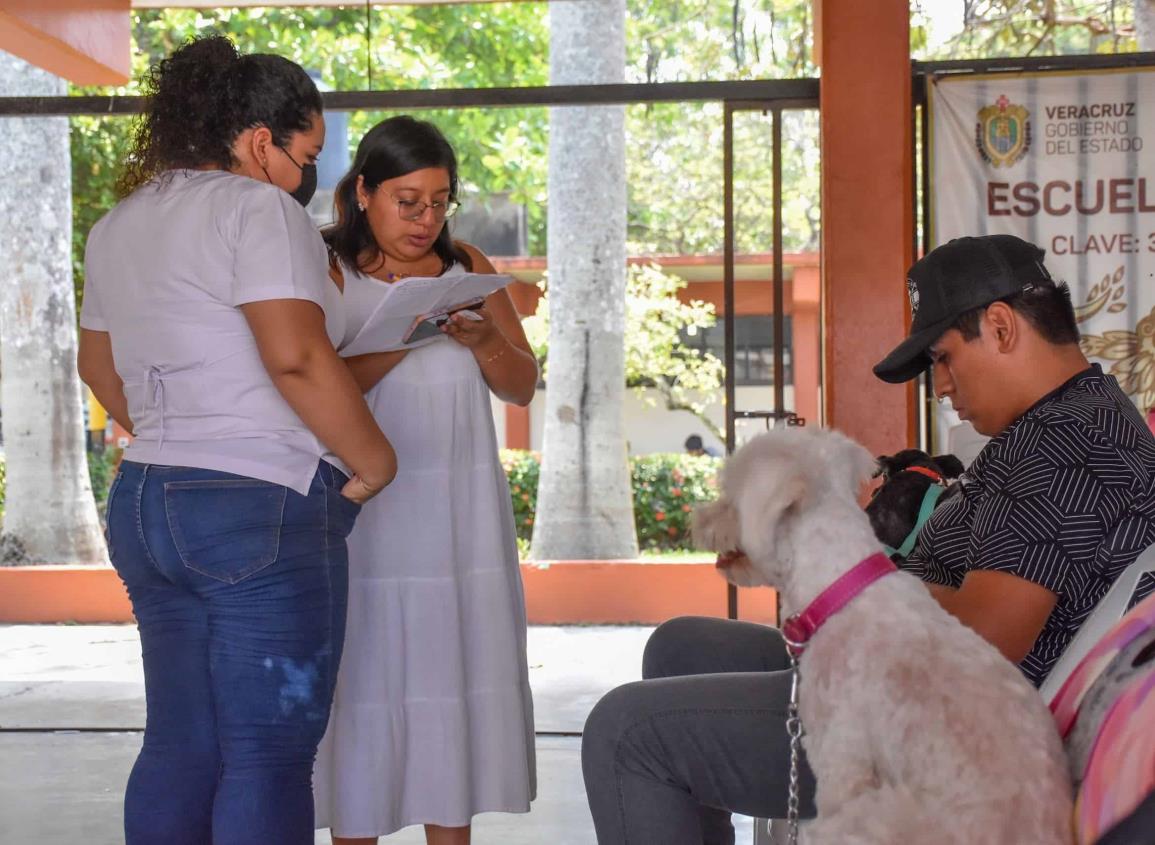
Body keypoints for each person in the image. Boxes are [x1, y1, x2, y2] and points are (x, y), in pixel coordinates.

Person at [581, 234, 1155, 845]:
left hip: (932, 728)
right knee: (681, 647)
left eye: (943, 358)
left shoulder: (1066, 443)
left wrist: (850, 572)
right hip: (895, 676)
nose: (942, 388)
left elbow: (991, 637)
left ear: (1002, 326)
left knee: (624, 733)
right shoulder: (1063, 423)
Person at [76, 36, 396, 845]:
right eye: (306, 154)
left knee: (180, 743)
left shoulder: (120, 222)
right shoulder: (258, 209)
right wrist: (374, 462)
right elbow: (294, 354)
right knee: (265, 755)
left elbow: (96, 363)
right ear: (260, 141)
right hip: (255, 502)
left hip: (146, 498)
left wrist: (174, 431)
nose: (307, 176)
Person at [313, 116, 539, 845]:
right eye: (406, 200)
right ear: (363, 192)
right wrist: (405, 331)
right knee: (366, 684)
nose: (424, 218)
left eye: (439, 200)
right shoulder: (323, 266)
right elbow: (313, 383)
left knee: (453, 679)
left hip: (457, 514)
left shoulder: (464, 263)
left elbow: (522, 385)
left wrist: (482, 339)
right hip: (365, 510)